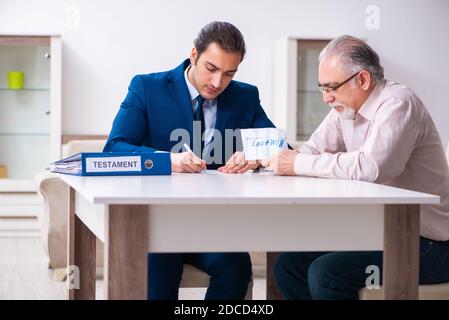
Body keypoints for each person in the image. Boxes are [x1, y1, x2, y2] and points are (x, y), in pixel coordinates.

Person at [262, 35, 449, 299]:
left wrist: (298, 163)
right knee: (289, 267)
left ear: (362, 80)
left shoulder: (398, 103)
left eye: (331, 88)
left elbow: (371, 167)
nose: (326, 98)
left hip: (428, 245)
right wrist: (270, 159)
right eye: (322, 88)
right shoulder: (345, 108)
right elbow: (311, 151)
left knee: (326, 275)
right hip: (380, 232)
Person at [104, 21, 276, 299]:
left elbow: (279, 145)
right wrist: (166, 161)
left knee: (236, 267)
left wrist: (256, 154)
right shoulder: (147, 87)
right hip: (157, 222)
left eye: (229, 73)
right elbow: (114, 148)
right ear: (194, 56)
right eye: (211, 68)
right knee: (157, 267)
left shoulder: (245, 96)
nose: (218, 82)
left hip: (213, 225)